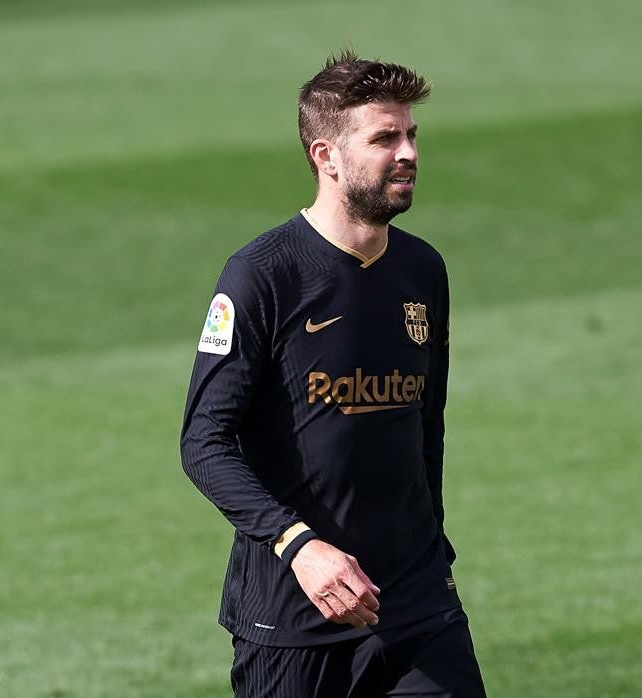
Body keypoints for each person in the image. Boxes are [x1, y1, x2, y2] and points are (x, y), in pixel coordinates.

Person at [180, 51, 486, 697]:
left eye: (410, 135)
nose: (407, 153)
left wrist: (438, 552)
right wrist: (300, 546)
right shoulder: (263, 275)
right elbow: (203, 444)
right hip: (294, 612)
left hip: (417, 602)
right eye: (384, 138)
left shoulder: (421, 270)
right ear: (326, 156)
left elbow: (424, 425)